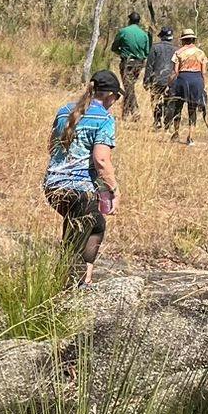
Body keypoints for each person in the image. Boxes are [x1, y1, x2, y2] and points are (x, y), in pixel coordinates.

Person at [43, 69, 123, 283]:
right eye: (116, 96)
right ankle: (65, 289)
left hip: (53, 186)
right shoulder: (104, 119)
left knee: (96, 226)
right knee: (73, 247)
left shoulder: (64, 111)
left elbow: (51, 146)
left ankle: (84, 281)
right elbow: (101, 161)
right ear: (108, 95)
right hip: (81, 191)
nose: (115, 101)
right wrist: (114, 190)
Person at [109, 11, 153, 120]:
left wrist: (122, 53)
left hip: (127, 62)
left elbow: (114, 47)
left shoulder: (123, 31)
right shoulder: (144, 35)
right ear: (139, 21)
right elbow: (147, 52)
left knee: (128, 87)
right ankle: (125, 113)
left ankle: (135, 111)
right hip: (139, 64)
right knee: (130, 86)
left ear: (129, 20)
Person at [170, 29, 208, 143]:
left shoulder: (178, 53)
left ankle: (176, 133)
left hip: (182, 80)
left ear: (183, 40)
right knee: (192, 110)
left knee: (177, 107)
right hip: (197, 80)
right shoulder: (201, 53)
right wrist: (203, 85)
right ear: (193, 39)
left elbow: (175, 71)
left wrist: (170, 84)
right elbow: (203, 72)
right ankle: (190, 137)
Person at [148, 26, 179, 127]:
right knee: (169, 102)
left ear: (161, 36)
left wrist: (146, 80)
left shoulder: (155, 48)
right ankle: (167, 124)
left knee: (156, 101)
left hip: (157, 80)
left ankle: (157, 121)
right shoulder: (177, 50)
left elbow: (149, 65)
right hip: (172, 81)